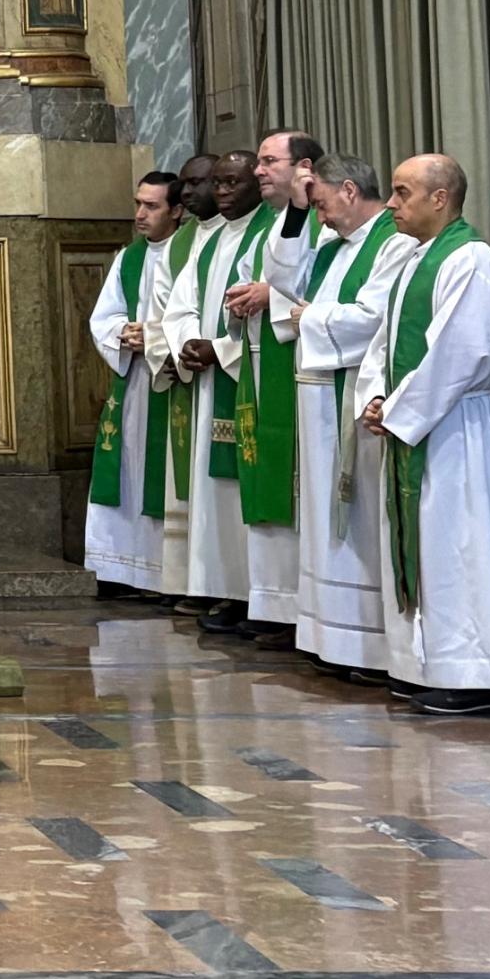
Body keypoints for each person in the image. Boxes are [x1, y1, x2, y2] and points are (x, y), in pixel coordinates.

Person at [351, 154, 490, 714]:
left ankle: (477, 674)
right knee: (425, 545)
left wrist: (400, 411)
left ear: (439, 198)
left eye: (402, 193)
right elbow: (384, 341)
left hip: (455, 430)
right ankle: (421, 664)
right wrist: (378, 398)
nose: (391, 204)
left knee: (459, 545)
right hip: (421, 421)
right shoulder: (412, 260)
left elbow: (463, 351)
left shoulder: (471, 260)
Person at [272, 153, 413, 678]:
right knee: (324, 516)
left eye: (325, 205)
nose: (322, 217)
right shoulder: (332, 245)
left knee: (357, 519)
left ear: (350, 190)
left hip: (356, 397)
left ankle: (369, 646)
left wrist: (311, 316)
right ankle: (332, 638)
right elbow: (282, 277)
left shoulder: (392, 245)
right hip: (318, 400)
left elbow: (375, 318)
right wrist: (295, 211)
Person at [217, 131, 324, 635]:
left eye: (268, 161)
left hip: (305, 371)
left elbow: (318, 288)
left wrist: (269, 297)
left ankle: (299, 609)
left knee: (297, 486)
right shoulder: (274, 224)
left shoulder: (320, 217)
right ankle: (274, 604)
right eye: (257, 161)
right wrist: (242, 299)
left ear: (302, 166)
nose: (259, 171)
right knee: (268, 480)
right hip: (263, 363)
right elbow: (261, 279)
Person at [164, 149, 261, 631]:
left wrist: (220, 350)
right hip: (208, 382)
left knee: (240, 495)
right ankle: (222, 588)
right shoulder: (207, 242)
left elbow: (275, 311)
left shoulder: (266, 236)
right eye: (217, 184)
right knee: (213, 496)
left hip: (246, 381)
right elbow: (180, 305)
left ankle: (250, 595)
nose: (222, 192)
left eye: (231, 183)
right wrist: (187, 344)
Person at [84, 170, 184, 599]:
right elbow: (103, 316)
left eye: (152, 206)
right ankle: (123, 568)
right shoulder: (129, 257)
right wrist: (122, 334)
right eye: (138, 204)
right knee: (128, 464)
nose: (140, 214)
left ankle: (168, 574)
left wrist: (157, 338)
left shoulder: (190, 253)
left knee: (165, 471)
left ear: (177, 211)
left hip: (174, 379)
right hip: (135, 378)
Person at [151, 152, 221, 599]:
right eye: (185, 185)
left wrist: (215, 348)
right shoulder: (181, 242)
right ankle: (195, 584)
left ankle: (223, 585)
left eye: (200, 183)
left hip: (227, 370)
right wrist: (176, 350)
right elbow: (167, 308)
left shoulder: (250, 234)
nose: (189, 193)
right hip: (190, 374)